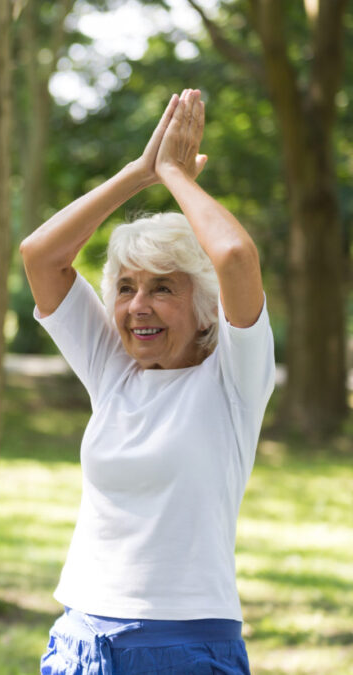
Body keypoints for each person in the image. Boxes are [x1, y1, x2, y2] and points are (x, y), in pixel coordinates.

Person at [19, 89, 274, 674]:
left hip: (185, 645)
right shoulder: (114, 369)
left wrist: (176, 177)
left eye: (163, 287)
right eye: (127, 287)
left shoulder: (234, 379)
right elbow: (40, 255)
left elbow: (234, 255)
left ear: (205, 305)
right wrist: (139, 173)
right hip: (81, 637)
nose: (138, 306)